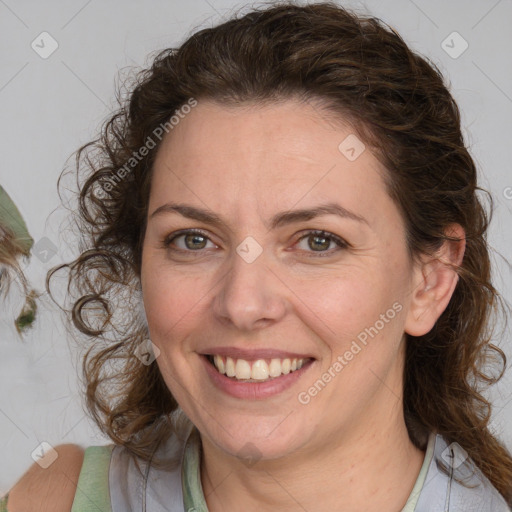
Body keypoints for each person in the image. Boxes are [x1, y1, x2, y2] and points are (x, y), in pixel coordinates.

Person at [3, 2, 512, 511]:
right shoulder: (52, 499)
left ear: (430, 280)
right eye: (193, 240)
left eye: (318, 241)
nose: (243, 305)